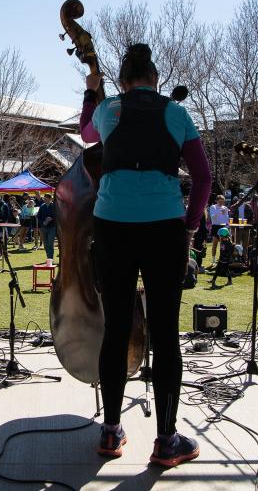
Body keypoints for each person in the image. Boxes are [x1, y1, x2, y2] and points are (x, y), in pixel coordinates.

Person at [80, 43, 212, 467]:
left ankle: (111, 431)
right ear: (155, 80)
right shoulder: (176, 112)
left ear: (122, 82)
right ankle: (167, 441)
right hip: (164, 227)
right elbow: (204, 178)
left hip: (113, 224)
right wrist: (190, 225)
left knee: (116, 328)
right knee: (165, 331)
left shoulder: (108, 109)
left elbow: (86, 134)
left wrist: (91, 91)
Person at [208, 194, 229, 263]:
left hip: (223, 227)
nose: (221, 203)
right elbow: (212, 217)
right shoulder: (213, 207)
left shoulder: (225, 208)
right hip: (215, 226)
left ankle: (221, 259)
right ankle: (213, 260)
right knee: (215, 244)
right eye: (220, 202)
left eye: (222, 202)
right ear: (217, 201)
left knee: (223, 245)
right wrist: (219, 211)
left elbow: (227, 218)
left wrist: (227, 226)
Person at [36, 193, 56, 265]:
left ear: (50, 199)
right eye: (44, 198)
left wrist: (51, 219)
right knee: (45, 244)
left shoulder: (54, 206)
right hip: (43, 227)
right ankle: (48, 258)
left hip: (52, 227)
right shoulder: (42, 206)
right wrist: (43, 222)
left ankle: (50, 258)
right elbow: (38, 216)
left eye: (46, 198)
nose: (45, 199)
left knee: (50, 242)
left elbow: (57, 216)